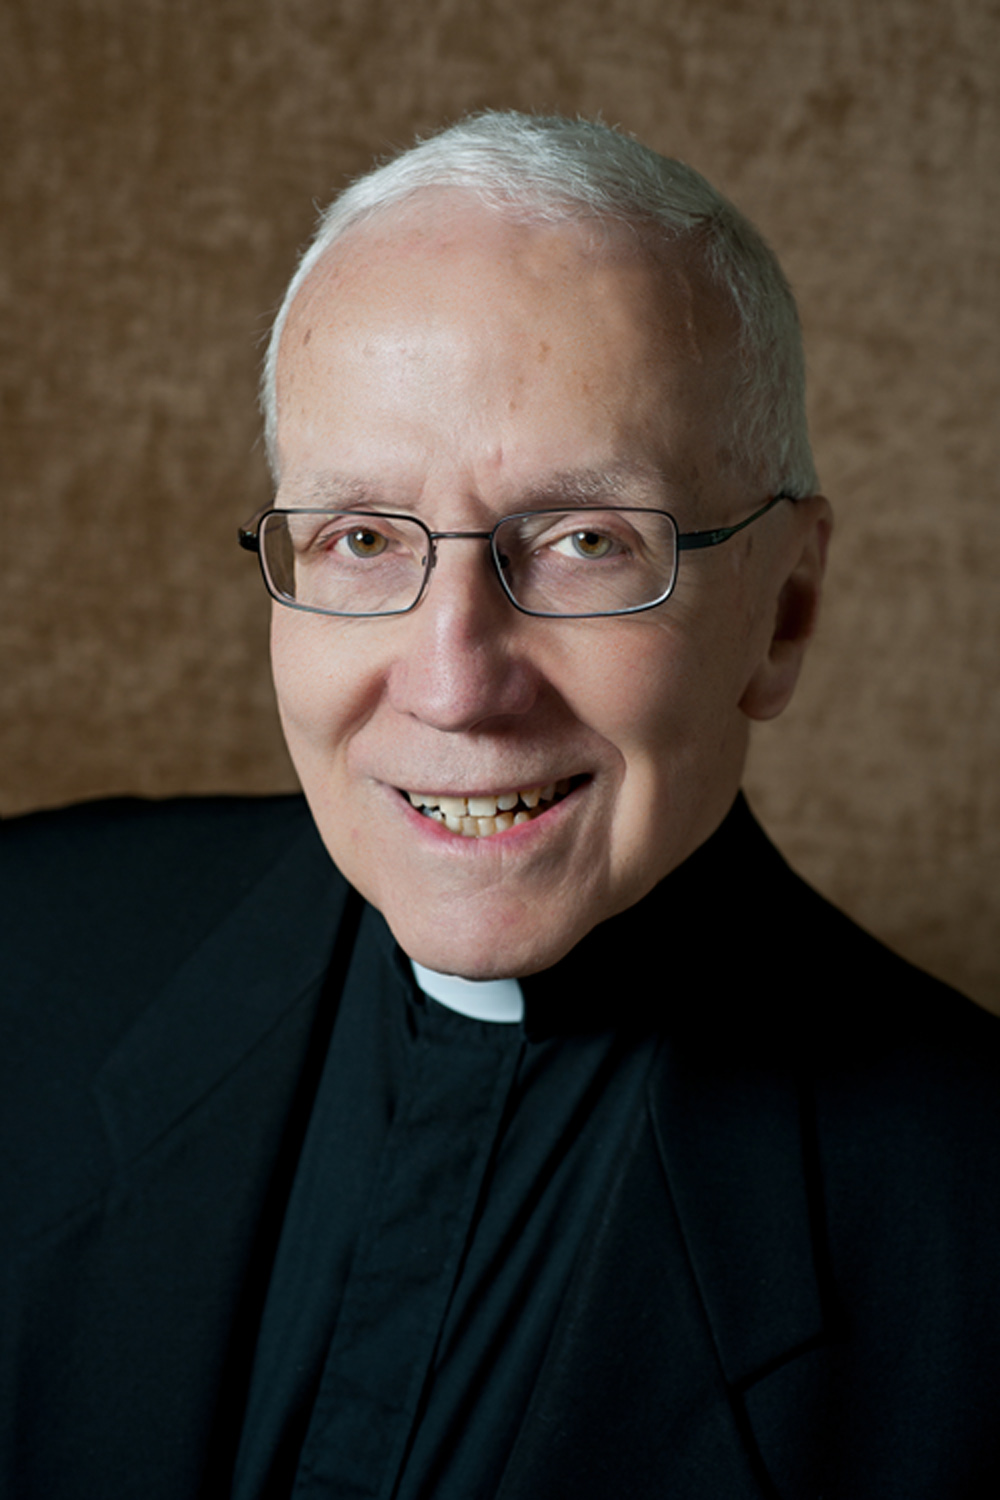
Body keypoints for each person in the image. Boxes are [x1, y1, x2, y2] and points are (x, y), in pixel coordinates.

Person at [2, 112, 999, 1500]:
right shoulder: (20, 953)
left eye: (587, 541)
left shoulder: (977, 1237)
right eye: (359, 538)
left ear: (786, 608)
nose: (456, 682)